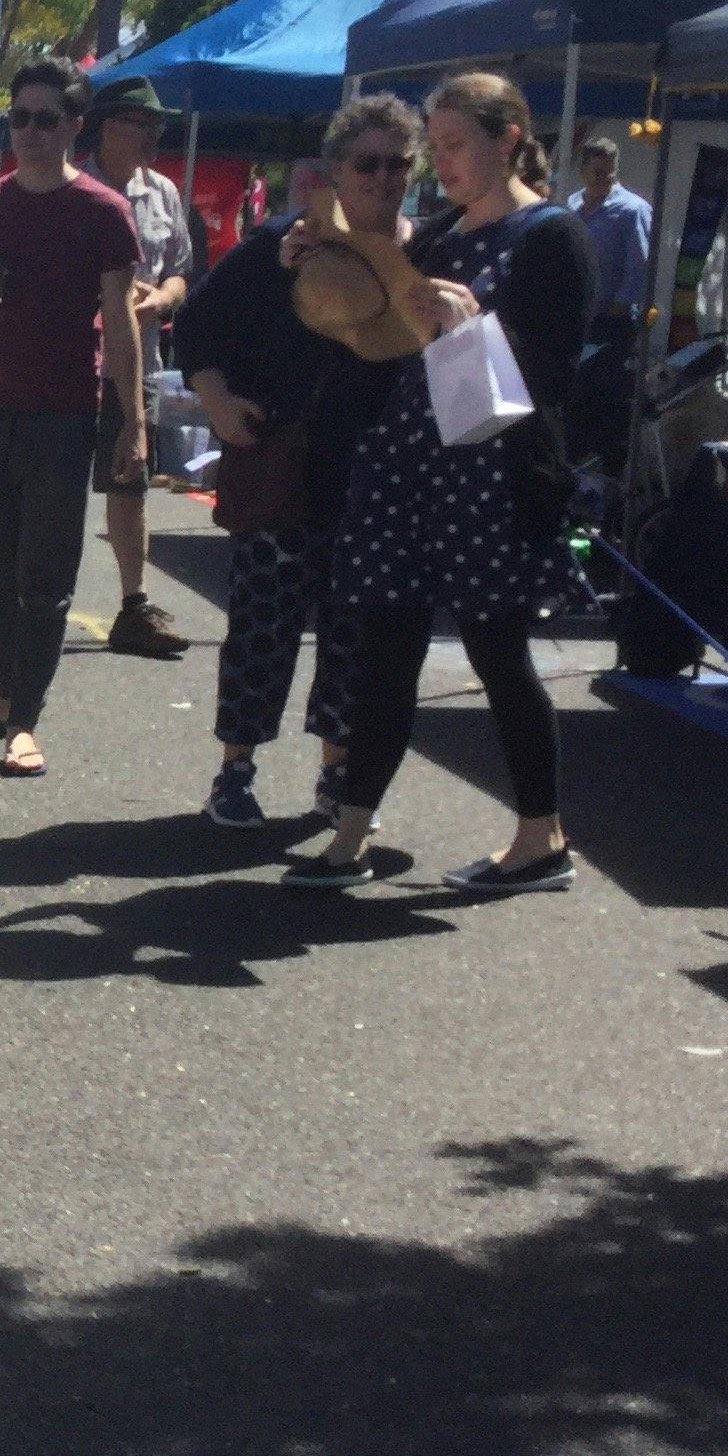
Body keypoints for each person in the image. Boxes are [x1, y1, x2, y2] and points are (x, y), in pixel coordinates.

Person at [288, 70, 597, 895]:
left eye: (456, 144)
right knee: (386, 650)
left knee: (499, 654)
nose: (443, 162)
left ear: (509, 136)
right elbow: (376, 315)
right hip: (412, 469)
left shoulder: (549, 236)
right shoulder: (444, 234)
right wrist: (319, 260)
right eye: (440, 146)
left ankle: (542, 837)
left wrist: (471, 326)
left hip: (492, 473)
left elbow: (557, 376)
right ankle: (350, 833)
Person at [174, 110, 415, 829]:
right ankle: (234, 772)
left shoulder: (426, 253)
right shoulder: (277, 247)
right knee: (262, 627)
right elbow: (195, 327)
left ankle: (338, 774)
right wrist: (217, 402)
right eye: (367, 164)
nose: (383, 178)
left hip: (377, 477)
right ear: (336, 171)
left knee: (354, 637)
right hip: (285, 462)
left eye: (397, 163)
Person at [0, 59, 143, 782]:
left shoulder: (103, 213)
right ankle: (7, 692)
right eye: (18, 119)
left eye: (45, 119)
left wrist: (134, 422)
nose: (29, 132)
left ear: (73, 127)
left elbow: (121, 323)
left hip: (64, 414)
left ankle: (23, 719)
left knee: (46, 580)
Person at [82, 78, 194, 657]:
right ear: (107, 126)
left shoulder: (164, 193)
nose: (152, 135)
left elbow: (179, 269)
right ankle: (32, 605)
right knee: (51, 487)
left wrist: (163, 299)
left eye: (157, 126)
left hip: (138, 363)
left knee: (130, 484)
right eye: (140, 124)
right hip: (72, 364)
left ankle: (135, 606)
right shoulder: (73, 188)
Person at [569, 130, 654, 346]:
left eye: (610, 172)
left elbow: (639, 262)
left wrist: (620, 304)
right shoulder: (572, 205)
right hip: (576, 313)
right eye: (597, 172)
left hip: (613, 318)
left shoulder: (632, 210)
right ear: (582, 171)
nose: (605, 179)